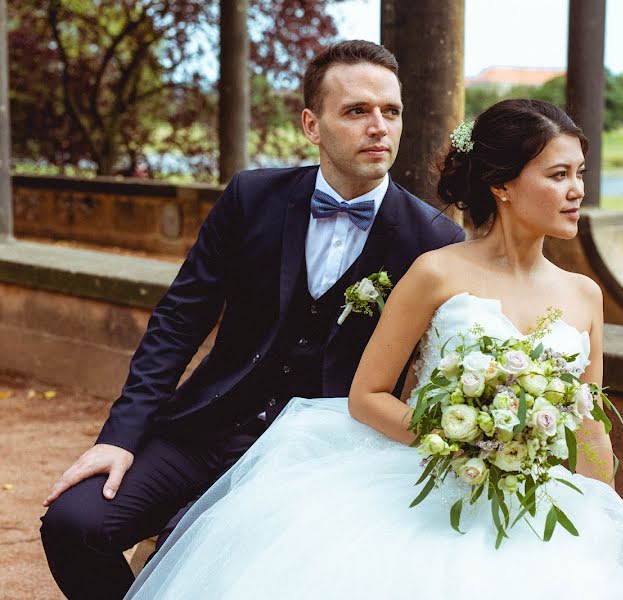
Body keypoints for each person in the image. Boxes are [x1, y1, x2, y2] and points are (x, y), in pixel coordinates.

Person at [124, 99, 623, 599]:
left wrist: (615, 537)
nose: (577, 190)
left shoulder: (584, 294)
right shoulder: (435, 273)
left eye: (581, 173)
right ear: (502, 185)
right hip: (415, 490)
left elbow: (590, 426)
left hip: (528, 504)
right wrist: (461, 443)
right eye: (558, 174)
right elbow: (366, 395)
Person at [39, 40, 464, 600]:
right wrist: (119, 438)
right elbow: (178, 321)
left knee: (215, 560)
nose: (379, 126)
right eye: (357, 111)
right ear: (312, 125)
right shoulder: (251, 197)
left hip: (317, 454)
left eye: (391, 111)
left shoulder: (432, 239)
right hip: (205, 427)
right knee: (74, 524)